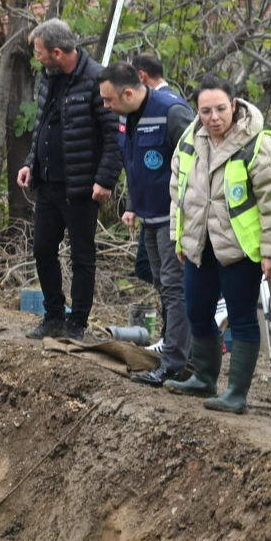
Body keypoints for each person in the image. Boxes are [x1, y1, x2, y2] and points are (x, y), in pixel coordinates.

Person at [164, 75, 271, 414]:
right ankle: (204, 377)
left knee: (242, 316)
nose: (213, 117)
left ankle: (236, 392)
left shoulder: (257, 144)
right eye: (206, 111)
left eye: (220, 109)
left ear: (234, 105)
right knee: (196, 310)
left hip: (241, 248)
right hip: (199, 243)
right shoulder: (190, 140)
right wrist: (180, 236)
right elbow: (179, 191)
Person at [16, 18, 121, 339]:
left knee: (81, 255)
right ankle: (53, 315)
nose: (37, 58)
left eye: (39, 52)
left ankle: (77, 323)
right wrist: (31, 162)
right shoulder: (49, 77)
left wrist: (105, 179)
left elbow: (114, 135)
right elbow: (43, 125)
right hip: (47, 183)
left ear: (58, 52)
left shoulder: (96, 80)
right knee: (42, 249)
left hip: (81, 187)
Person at [98, 61, 195, 385]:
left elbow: (197, 164)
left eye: (109, 100)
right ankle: (179, 349)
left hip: (174, 216)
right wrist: (132, 205)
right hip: (149, 215)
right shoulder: (126, 115)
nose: (106, 106)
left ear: (128, 92)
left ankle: (175, 362)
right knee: (160, 282)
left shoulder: (171, 111)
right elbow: (134, 162)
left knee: (173, 286)